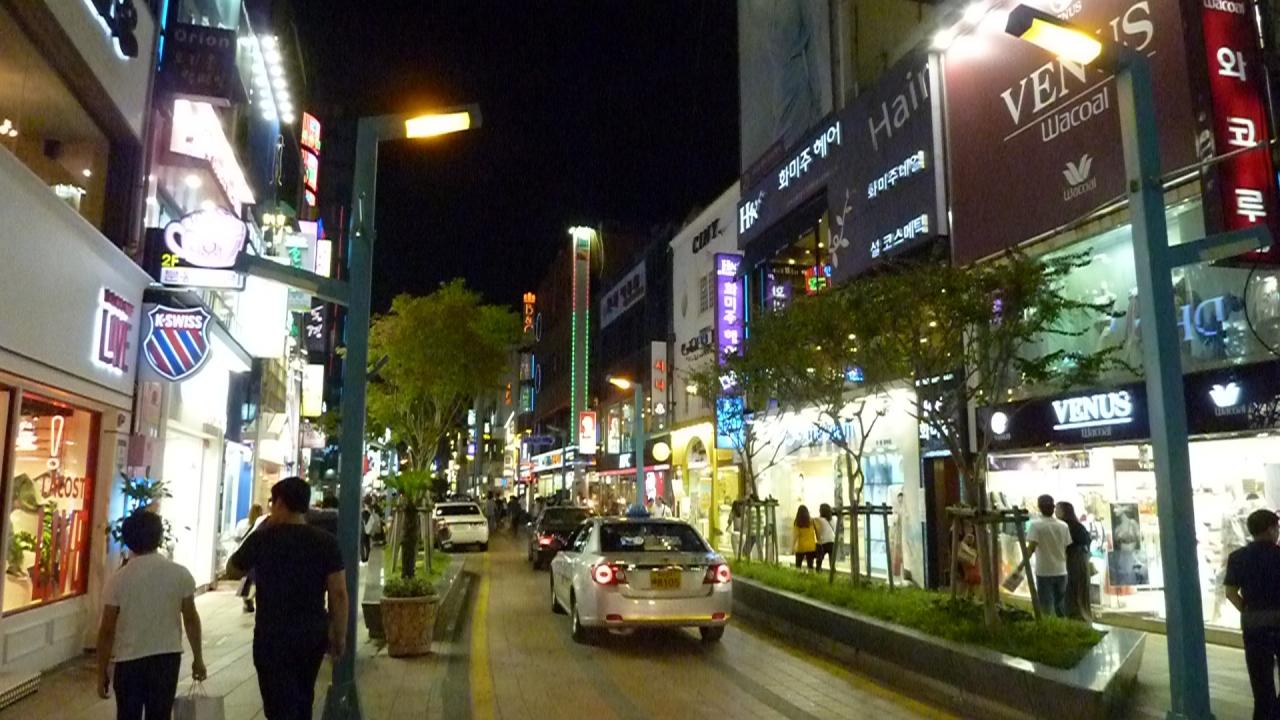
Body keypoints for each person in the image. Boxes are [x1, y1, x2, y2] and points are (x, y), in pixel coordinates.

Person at [228, 477, 347, 720]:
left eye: (272, 503)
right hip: (311, 633)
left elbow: (233, 569)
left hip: (272, 634)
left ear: (280, 503)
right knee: (304, 696)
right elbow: (339, 593)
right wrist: (339, 633)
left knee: (277, 703)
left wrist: (260, 529)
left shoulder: (262, 539)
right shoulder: (326, 542)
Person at [96, 510, 207, 719]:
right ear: (159, 537)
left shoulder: (118, 580)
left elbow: (107, 629)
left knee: (128, 714)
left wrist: (102, 670)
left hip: (129, 660)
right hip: (167, 658)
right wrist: (198, 658)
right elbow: (191, 618)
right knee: (160, 714)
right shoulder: (179, 574)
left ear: (128, 540)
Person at [1225, 509, 1280, 720]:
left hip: (1253, 625)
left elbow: (1230, 593)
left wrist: (1248, 610)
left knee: (1261, 685)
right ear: (1270, 529)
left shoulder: (1237, 557)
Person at [1025, 494, 1070, 618]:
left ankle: (1048, 627)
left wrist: (1022, 565)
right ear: (1053, 507)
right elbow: (1066, 548)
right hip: (1061, 570)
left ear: (1039, 507)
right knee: (1061, 607)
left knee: (1045, 608)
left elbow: (1031, 548)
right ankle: (1063, 626)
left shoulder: (1036, 526)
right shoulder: (1064, 526)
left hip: (1044, 571)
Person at [1057, 501, 1094, 622]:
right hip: (1081, 561)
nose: (1055, 512)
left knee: (1071, 589)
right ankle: (1082, 614)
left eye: (1058, 509)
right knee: (1080, 589)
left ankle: (1074, 615)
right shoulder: (1078, 526)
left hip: (1072, 561)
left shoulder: (1065, 526)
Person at [239, 503, 267, 613]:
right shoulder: (262, 522)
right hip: (258, 554)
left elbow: (237, 536)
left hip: (245, 553)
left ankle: (246, 598)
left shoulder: (242, 523)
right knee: (257, 578)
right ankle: (250, 598)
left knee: (247, 578)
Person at [792, 504, 817, 571]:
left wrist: (792, 547)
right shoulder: (812, 521)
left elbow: (795, 536)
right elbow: (817, 531)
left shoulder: (797, 522)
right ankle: (811, 576)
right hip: (811, 546)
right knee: (810, 566)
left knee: (798, 566)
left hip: (801, 547)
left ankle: (798, 575)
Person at [814, 503, 836, 571]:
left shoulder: (818, 520)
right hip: (831, 541)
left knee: (819, 560)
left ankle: (818, 571)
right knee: (832, 562)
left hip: (822, 542)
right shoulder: (833, 520)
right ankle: (833, 572)